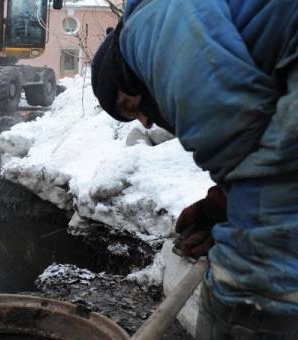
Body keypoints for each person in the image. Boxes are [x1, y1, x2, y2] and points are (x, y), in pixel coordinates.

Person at [92, 1, 298, 338]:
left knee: (254, 278)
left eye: (128, 106)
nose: (145, 119)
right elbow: (255, 142)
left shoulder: (149, 29)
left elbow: (235, 133)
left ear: (124, 75)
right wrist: (225, 206)